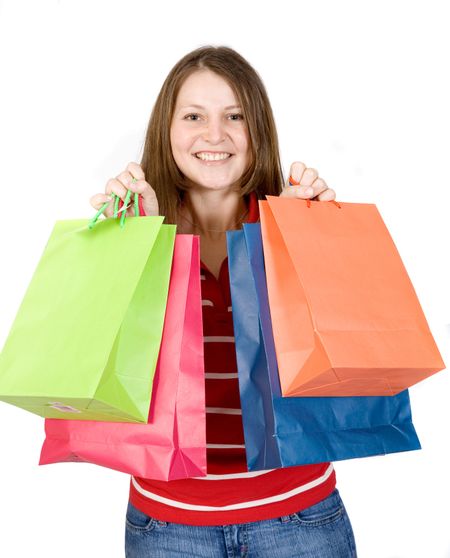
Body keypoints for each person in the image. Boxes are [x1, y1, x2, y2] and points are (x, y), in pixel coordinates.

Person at [90, 46, 357, 558]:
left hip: (300, 518)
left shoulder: (291, 222)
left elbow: (343, 359)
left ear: (258, 128)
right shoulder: (136, 229)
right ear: (166, 131)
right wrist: (134, 244)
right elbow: (104, 373)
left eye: (234, 116)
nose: (215, 135)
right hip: (167, 529)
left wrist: (319, 236)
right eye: (194, 116)